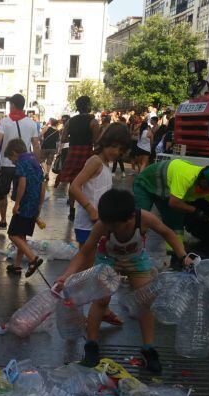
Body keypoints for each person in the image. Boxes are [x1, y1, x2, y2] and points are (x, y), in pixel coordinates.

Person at [56, 188, 194, 373]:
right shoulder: (103, 224)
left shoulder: (144, 218)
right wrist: (67, 275)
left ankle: (149, 349)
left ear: (129, 218)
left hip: (136, 260)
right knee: (101, 300)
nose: (110, 228)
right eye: (107, 224)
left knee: (144, 301)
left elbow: (168, 233)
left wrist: (183, 256)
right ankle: (91, 346)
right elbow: (85, 251)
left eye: (114, 225)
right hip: (108, 260)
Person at [68, 123, 132, 327]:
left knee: (99, 272)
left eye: (121, 149)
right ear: (105, 142)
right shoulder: (95, 161)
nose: (116, 152)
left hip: (101, 226)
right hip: (88, 226)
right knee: (86, 274)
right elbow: (74, 187)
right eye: (113, 146)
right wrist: (91, 210)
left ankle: (101, 308)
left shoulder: (106, 164)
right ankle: (78, 315)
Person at [133, 159, 209, 242]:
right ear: (204, 180)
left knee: (176, 221)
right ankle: (133, 250)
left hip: (164, 192)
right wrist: (194, 210)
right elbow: (174, 202)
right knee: (142, 218)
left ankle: (176, 254)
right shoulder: (186, 177)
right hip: (145, 184)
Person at [0, 93, 41, 230]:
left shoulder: (4, 121)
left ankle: (3, 220)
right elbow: (36, 145)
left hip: (6, 163)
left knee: (2, 193)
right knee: (21, 193)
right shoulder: (31, 123)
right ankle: (17, 219)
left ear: (13, 105)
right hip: (24, 164)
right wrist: (36, 163)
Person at [4, 138, 46, 278]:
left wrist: (16, 204)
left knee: (12, 234)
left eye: (11, 158)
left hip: (25, 204)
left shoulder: (22, 162)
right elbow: (42, 185)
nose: (12, 161)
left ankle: (33, 259)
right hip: (34, 205)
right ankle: (16, 266)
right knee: (21, 235)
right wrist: (39, 205)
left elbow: (22, 182)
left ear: (15, 152)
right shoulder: (35, 161)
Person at [57, 96, 100, 222]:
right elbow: (96, 141)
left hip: (73, 152)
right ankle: (87, 208)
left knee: (73, 182)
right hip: (86, 153)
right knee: (87, 181)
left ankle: (71, 210)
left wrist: (74, 137)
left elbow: (63, 139)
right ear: (88, 105)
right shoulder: (93, 122)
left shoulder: (71, 121)